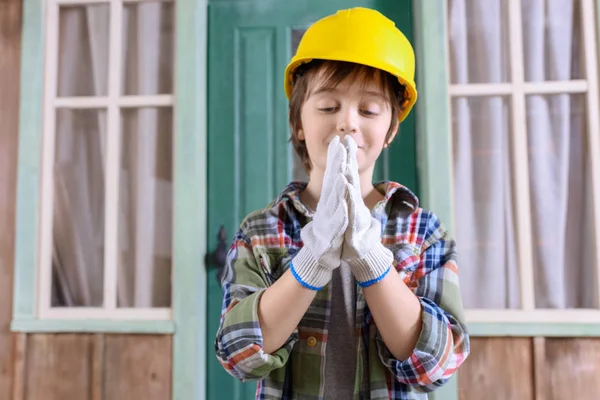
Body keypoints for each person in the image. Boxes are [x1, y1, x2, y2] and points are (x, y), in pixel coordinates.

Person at [214, 7, 470, 400]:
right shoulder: (261, 231)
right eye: (328, 107)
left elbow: (436, 365)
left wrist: (370, 257)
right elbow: (238, 355)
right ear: (298, 122)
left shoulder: (424, 232)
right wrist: (312, 259)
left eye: (368, 110)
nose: (347, 122)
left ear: (390, 130)